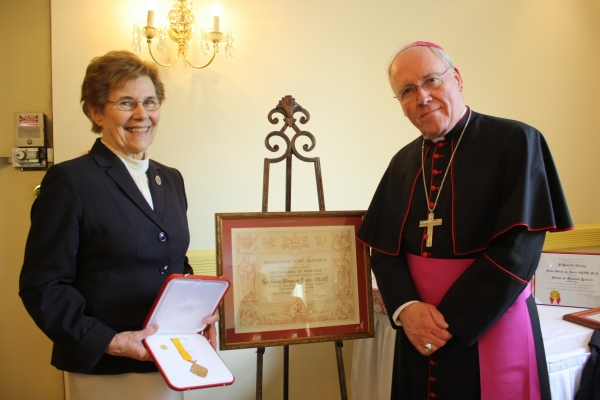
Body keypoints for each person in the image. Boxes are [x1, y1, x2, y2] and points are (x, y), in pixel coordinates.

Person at [357, 41, 573, 400]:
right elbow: (382, 250)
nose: (422, 97)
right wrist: (408, 310)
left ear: (456, 78)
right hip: (416, 329)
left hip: (487, 320)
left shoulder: (516, 141)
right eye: (408, 91)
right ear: (401, 105)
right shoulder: (401, 163)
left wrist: (447, 323)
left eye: (431, 81)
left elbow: (518, 248)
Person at [19, 50, 218, 400]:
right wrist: (112, 342)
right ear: (96, 111)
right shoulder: (70, 181)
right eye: (126, 103)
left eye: (150, 102)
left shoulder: (170, 179)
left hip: (172, 358)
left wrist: (200, 311)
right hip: (108, 368)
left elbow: (174, 262)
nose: (142, 114)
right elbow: (43, 286)